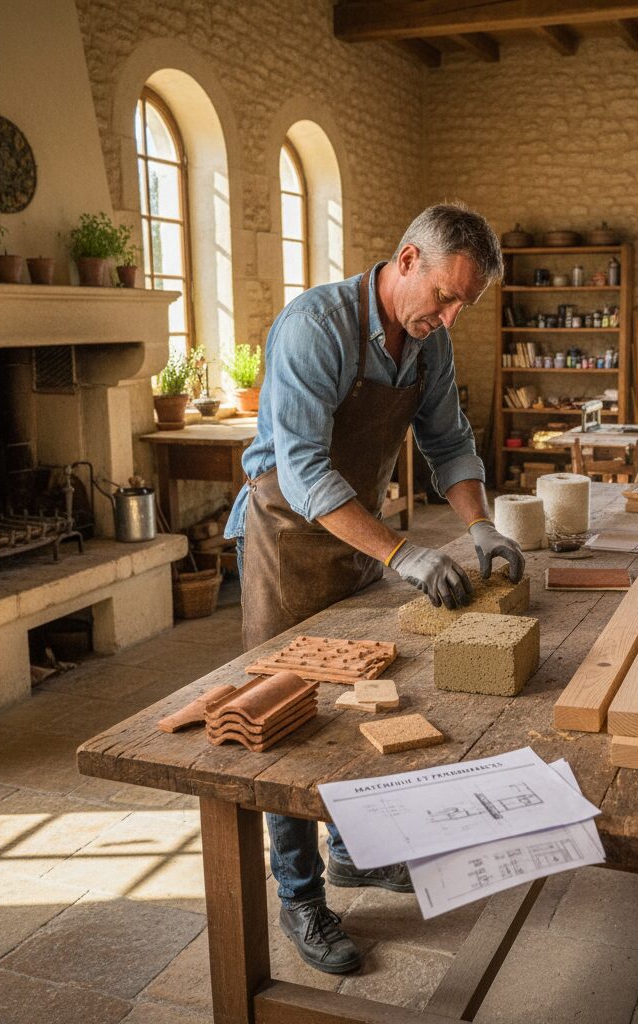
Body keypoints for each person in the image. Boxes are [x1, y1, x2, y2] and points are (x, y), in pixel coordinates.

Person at [224, 202, 525, 974]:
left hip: (359, 531)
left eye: (466, 304)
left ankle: (354, 852)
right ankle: (299, 894)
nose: (450, 315)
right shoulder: (314, 327)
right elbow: (304, 468)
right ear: (406, 261)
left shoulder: (428, 344)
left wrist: (481, 528)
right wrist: (403, 554)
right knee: (284, 715)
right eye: (446, 296)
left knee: (362, 692)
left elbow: (448, 439)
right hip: (289, 534)